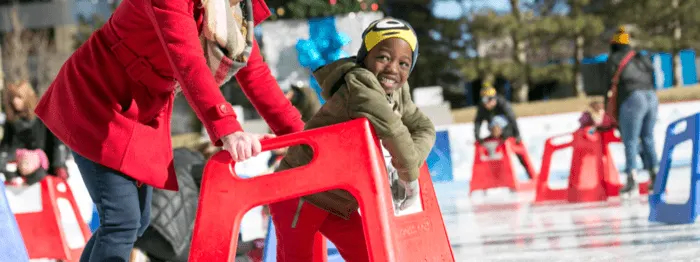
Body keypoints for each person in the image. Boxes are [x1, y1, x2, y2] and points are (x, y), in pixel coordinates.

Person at [33, 0, 304, 260]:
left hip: (142, 109)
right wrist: (228, 127)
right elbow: (188, 62)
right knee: (121, 221)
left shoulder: (231, 9)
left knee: (137, 222)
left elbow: (254, 72)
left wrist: (300, 134)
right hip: (96, 99)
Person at [268, 18, 435, 261]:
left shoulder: (398, 90)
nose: (392, 69)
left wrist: (409, 166)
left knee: (369, 254)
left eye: (403, 63)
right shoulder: (360, 85)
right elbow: (395, 132)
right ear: (364, 57)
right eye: (383, 57)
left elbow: (424, 126)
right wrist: (408, 178)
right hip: (300, 190)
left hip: (337, 197)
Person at [604, 26, 659, 193]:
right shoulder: (641, 57)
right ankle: (655, 176)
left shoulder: (614, 59)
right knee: (648, 138)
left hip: (632, 98)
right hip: (651, 96)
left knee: (631, 141)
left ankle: (631, 180)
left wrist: (608, 111)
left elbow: (609, 87)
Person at [1, 80, 69, 185]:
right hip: (20, 168)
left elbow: (57, 142)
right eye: (13, 98)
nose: (15, 101)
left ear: (27, 98)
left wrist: (59, 165)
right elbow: (6, 146)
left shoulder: (44, 115)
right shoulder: (11, 121)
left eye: (19, 97)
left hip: (45, 167)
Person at [474, 84, 532, 178]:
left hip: (509, 131)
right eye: (483, 101)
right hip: (494, 133)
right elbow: (477, 122)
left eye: (487, 100)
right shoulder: (482, 107)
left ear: (493, 99)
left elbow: (512, 119)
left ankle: (530, 174)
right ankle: (495, 177)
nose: (485, 104)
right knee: (491, 152)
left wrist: (517, 134)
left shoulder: (503, 105)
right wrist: (477, 136)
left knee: (520, 155)